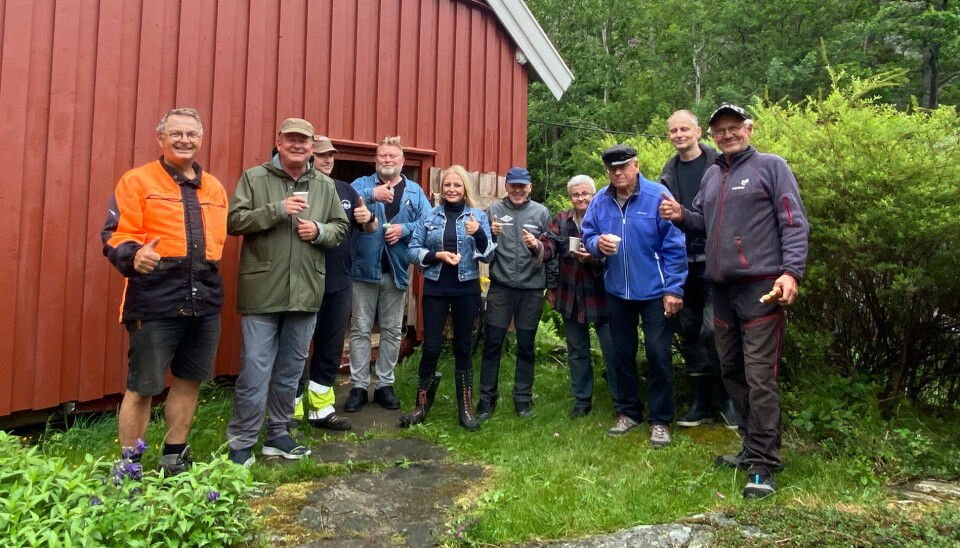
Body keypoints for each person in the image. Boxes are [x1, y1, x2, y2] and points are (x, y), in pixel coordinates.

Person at [660, 103, 809, 498]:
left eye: (733, 127)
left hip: (761, 289)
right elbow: (701, 223)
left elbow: (793, 222)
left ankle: (764, 465)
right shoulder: (712, 174)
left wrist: (791, 272)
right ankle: (752, 443)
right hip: (721, 289)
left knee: (760, 376)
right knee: (731, 371)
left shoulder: (771, 167)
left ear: (749, 128)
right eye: (720, 130)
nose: (727, 135)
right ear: (712, 136)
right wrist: (680, 215)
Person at [101, 107, 227, 475]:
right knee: (143, 387)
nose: (184, 140)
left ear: (200, 139)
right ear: (161, 138)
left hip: (204, 300)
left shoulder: (214, 187)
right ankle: (129, 468)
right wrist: (134, 255)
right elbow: (115, 235)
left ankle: (174, 458)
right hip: (155, 300)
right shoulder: (137, 181)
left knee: (189, 380)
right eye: (176, 133)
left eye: (191, 134)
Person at [226, 118, 348, 467]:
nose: (298, 145)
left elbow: (341, 227)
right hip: (262, 290)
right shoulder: (255, 178)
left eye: (304, 140)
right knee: (255, 369)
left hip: (306, 290)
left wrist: (320, 231)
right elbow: (234, 221)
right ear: (278, 143)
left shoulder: (324, 185)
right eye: (291, 139)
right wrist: (278, 210)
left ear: (312, 147)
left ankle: (278, 435)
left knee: (292, 369)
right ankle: (242, 443)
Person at [581, 145, 687, 447]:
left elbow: (675, 244)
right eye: (612, 169)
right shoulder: (600, 201)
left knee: (658, 353)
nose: (617, 173)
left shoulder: (657, 196)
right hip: (617, 290)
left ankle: (660, 420)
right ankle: (628, 412)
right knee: (621, 353)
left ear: (636, 165)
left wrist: (674, 289)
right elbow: (588, 234)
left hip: (655, 291)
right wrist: (596, 244)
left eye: (623, 167)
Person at [658, 110, 742, 430]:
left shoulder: (719, 167)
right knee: (690, 329)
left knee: (715, 329)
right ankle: (701, 402)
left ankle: (729, 399)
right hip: (681, 265)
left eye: (684, 129)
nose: (679, 135)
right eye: (673, 130)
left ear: (698, 132)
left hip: (714, 262)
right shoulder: (667, 176)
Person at [289, 136, 377, 431]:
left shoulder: (346, 190)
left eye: (331, 155)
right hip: (304, 280)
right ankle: (290, 412)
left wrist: (368, 218)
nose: (327, 160)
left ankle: (321, 410)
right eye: (322, 155)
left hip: (340, 282)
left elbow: (370, 227)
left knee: (330, 346)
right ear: (310, 157)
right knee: (297, 347)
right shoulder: (299, 187)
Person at [401, 165, 496, 430]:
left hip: (467, 289)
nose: (452, 189)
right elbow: (412, 251)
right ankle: (420, 406)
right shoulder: (429, 215)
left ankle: (466, 410)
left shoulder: (478, 216)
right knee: (431, 347)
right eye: (447, 185)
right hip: (436, 288)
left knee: (463, 348)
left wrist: (478, 232)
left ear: (465, 188)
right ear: (441, 189)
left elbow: (488, 255)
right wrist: (437, 256)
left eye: (457, 185)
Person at [346, 136, 432, 413]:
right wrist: (373, 195)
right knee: (360, 329)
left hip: (396, 270)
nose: (387, 160)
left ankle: (384, 384)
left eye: (392, 156)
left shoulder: (415, 192)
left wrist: (403, 230)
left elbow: (429, 223)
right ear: (375, 160)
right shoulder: (362, 184)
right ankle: (359, 386)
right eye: (382, 156)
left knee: (393, 330)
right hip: (362, 269)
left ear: (402, 161)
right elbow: (344, 203)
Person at [476, 167, 555, 420]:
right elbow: (483, 251)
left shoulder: (541, 213)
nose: (518, 190)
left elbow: (551, 252)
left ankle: (523, 399)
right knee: (492, 344)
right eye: (513, 186)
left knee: (526, 346)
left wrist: (551, 286)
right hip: (501, 288)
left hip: (531, 290)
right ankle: (486, 399)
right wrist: (490, 235)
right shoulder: (494, 211)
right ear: (506, 187)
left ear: (530, 187)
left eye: (523, 186)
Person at [539, 175, 616, 419]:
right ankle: (582, 400)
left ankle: (621, 401)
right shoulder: (562, 220)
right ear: (570, 197)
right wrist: (537, 246)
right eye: (576, 194)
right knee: (577, 351)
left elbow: (617, 254)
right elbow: (549, 245)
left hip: (603, 295)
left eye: (585, 194)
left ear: (594, 195)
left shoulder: (606, 218)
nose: (581, 198)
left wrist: (593, 258)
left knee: (613, 350)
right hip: (570, 294)